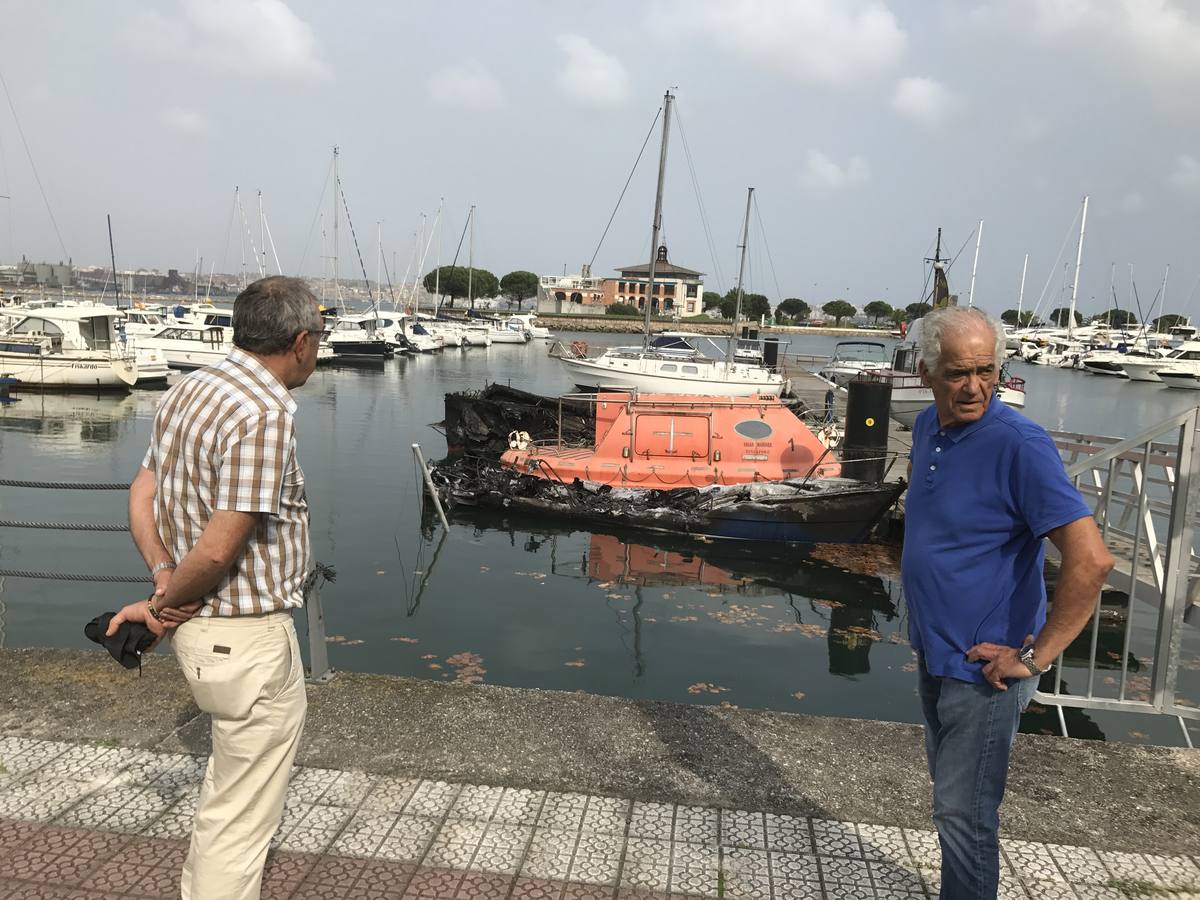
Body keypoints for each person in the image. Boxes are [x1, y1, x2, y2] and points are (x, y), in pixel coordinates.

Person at [109, 276, 324, 900]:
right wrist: (163, 603)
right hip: (246, 638)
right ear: (301, 341)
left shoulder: (189, 387)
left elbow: (142, 493)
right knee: (240, 816)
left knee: (226, 798)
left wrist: (159, 576)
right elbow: (219, 546)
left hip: (203, 635)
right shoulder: (264, 411)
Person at [902, 306, 1113, 900]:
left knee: (964, 816)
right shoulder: (926, 427)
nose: (974, 387)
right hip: (935, 651)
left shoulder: (1021, 444)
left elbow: (1092, 560)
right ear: (926, 373)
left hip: (986, 668)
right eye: (957, 373)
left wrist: (1035, 655)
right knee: (951, 806)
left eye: (986, 371)